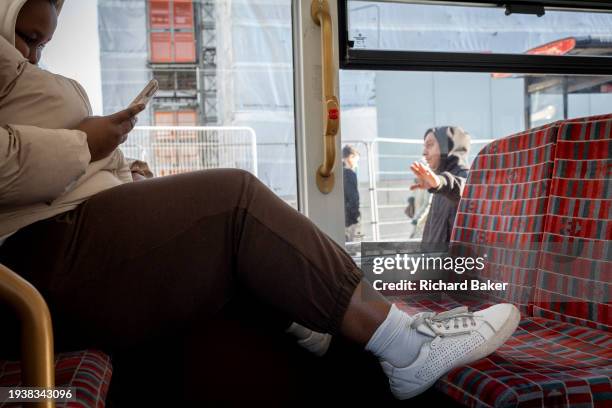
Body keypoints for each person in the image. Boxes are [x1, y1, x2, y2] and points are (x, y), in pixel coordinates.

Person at [0, 0, 519, 402]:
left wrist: (122, 171)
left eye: (42, 43)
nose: (33, 54)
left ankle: (358, 350)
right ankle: (407, 343)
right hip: (27, 264)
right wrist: (88, 143)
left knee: (256, 348)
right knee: (234, 201)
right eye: (27, 37)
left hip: (68, 243)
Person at [410, 126, 470, 244]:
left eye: (430, 145)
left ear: (447, 148)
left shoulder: (465, 175)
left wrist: (440, 183)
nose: (424, 152)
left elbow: (462, 188)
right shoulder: (439, 183)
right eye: (424, 146)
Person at [342, 145, 361, 242]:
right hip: (350, 220)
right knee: (353, 249)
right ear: (350, 157)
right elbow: (353, 199)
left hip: (341, 218)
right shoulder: (349, 174)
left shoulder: (338, 173)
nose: (356, 164)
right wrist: (355, 217)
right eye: (356, 160)